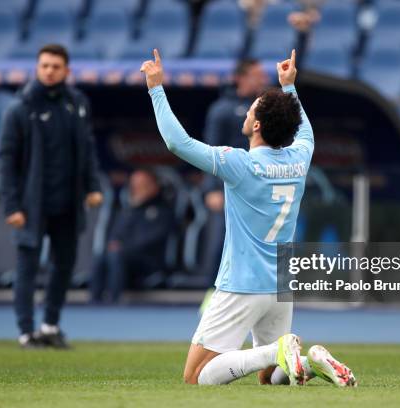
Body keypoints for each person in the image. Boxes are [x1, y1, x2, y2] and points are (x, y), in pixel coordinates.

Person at [140, 49, 356, 386]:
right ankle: (309, 362)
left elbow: (176, 142)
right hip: (282, 283)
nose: (247, 110)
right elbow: (305, 130)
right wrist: (289, 87)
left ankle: (277, 351)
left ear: (255, 124)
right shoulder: (300, 157)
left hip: (242, 283)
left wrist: (155, 88)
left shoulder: (240, 164)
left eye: (252, 108)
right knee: (270, 380)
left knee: (195, 377)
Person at [0, 44, 103, 349]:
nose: (49, 71)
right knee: (27, 268)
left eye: (56, 66)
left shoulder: (78, 104)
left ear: (67, 71)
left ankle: (50, 325)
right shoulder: (20, 108)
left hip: (67, 202)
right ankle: (26, 331)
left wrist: (92, 186)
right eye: (44, 65)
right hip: (32, 204)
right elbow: (5, 162)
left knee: (64, 265)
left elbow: (87, 149)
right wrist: (12, 205)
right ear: (37, 68)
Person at [201, 59, 268, 284]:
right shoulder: (221, 109)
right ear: (240, 77)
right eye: (256, 74)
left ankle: (261, 288)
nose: (262, 79)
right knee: (221, 240)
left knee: (263, 240)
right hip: (229, 187)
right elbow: (211, 150)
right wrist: (212, 189)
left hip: (259, 187)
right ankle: (212, 292)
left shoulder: (266, 106)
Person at [90, 169, 174, 303]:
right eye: (134, 185)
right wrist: (114, 244)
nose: (138, 189)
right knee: (101, 257)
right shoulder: (128, 210)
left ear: (155, 186)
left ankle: (114, 301)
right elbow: (114, 235)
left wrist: (123, 247)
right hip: (123, 260)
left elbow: (153, 240)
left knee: (115, 255)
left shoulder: (162, 211)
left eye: (143, 184)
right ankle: (94, 301)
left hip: (148, 263)